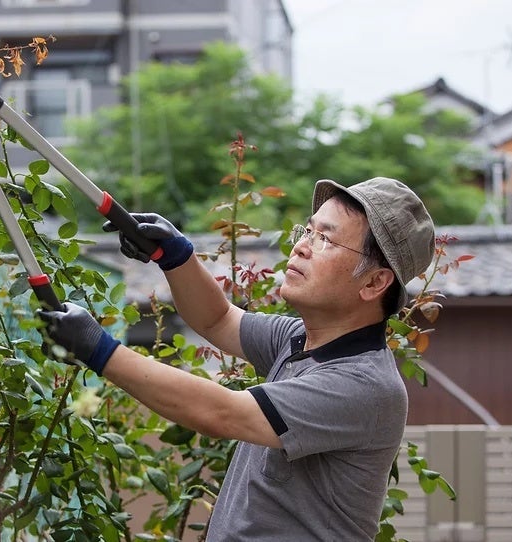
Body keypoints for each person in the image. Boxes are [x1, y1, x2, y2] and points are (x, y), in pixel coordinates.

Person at [39, 177, 436, 541]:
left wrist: (99, 349)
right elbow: (218, 319)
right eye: (307, 231)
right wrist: (175, 255)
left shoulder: (364, 385)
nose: (300, 246)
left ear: (374, 282)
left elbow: (222, 413)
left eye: (325, 240)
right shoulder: (298, 339)